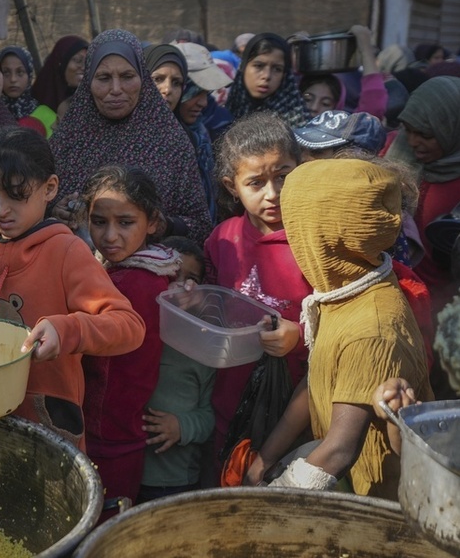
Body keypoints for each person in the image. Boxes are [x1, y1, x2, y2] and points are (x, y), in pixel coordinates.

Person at [0, 128, 145, 452]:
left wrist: (68, 330)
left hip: (47, 418)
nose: (1, 210)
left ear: (49, 188)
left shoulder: (67, 253)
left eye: (16, 195)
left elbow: (129, 326)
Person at [244, 159, 434, 499]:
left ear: (326, 239)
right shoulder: (342, 293)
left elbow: (338, 453)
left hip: (374, 500)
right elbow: (315, 379)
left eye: (296, 227)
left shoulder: (372, 329)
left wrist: (269, 507)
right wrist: (266, 458)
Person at [204, 112, 311, 478]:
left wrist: (298, 336)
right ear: (231, 186)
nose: (274, 193)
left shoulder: (313, 241)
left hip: (297, 409)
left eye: (284, 176)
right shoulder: (223, 239)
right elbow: (213, 302)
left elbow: (339, 323)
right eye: (256, 182)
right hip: (228, 401)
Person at [79, 165, 181, 514]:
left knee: (100, 521)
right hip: (121, 426)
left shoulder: (131, 283)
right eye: (99, 221)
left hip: (108, 429)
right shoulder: (152, 268)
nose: (109, 236)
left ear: (151, 222)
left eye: (125, 223)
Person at [50, 29, 211, 245]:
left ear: (142, 79)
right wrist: (53, 211)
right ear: (88, 81)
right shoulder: (66, 141)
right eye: (104, 78)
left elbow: (201, 225)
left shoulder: (172, 143)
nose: (116, 89)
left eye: (127, 77)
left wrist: (164, 224)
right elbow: (28, 209)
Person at [139, 235, 216, 502]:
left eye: (190, 278)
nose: (180, 284)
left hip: (173, 480)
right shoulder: (134, 330)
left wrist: (181, 426)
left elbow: (210, 417)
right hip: (127, 469)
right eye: (171, 272)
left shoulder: (202, 347)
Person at [385, 76, 460, 315]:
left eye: (425, 135)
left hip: (446, 309)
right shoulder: (397, 153)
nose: (412, 142)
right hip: (397, 295)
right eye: (408, 130)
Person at [175, 42, 234, 223]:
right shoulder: (161, 140)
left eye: (206, 94)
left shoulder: (200, 133)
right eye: (195, 92)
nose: (203, 103)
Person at [298, 26, 386, 120]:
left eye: (325, 104)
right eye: (307, 99)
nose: (313, 108)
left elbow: (373, 107)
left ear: (337, 107)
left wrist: (365, 49)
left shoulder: (344, 131)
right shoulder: (285, 124)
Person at [225, 32, 311, 128]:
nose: (266, 76)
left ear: (284, 75)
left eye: (277, 69)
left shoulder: (297, 121)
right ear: (243, 67)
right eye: (258, 66)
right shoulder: (224, 115)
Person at [0, 45, 57, 137]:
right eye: (6, 72)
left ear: (29, 75)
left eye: (20, 72)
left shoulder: (46, 115)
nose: (13, 79)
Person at [31, 34, 89, 122]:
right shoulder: (35, 108)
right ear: (61, 63)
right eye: (77, 60)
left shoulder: (94, 104)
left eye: (88, 61)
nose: (83, 67)